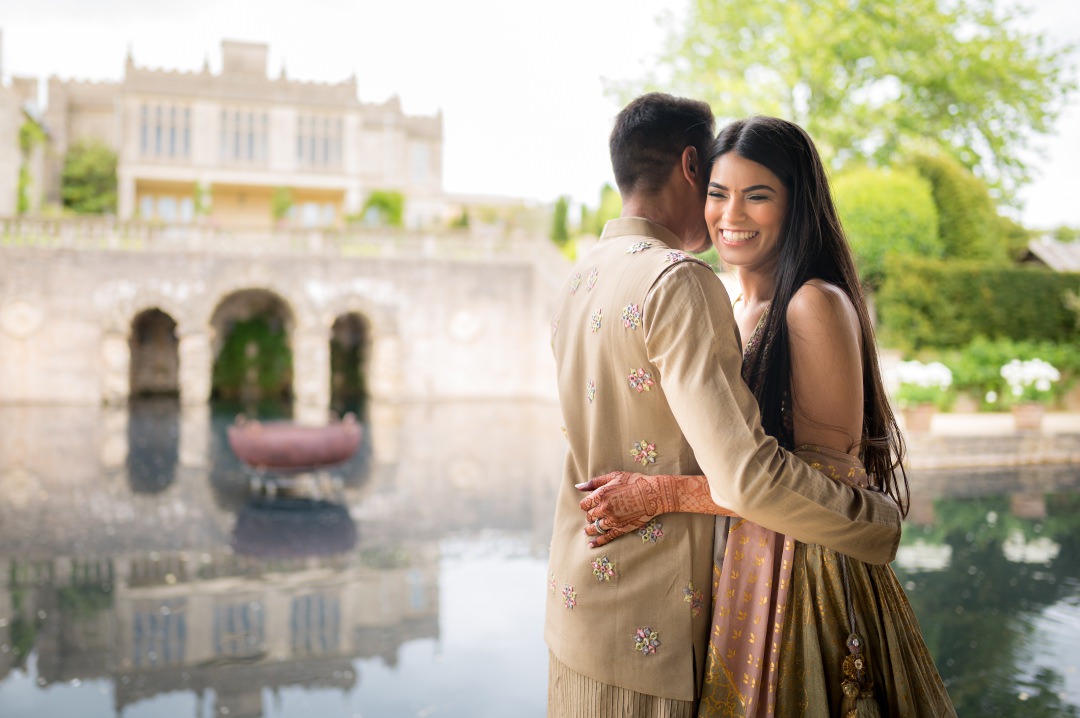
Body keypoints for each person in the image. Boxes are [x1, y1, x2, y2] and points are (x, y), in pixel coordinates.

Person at [582, 116, 956, 716]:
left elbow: (827, 481)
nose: (732, 214)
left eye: (758, 196)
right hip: (746, 563)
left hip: (807, 575)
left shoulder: (812, 304)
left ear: (796, 205)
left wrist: (661, 494)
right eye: (717, 193)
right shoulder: (726, 301)